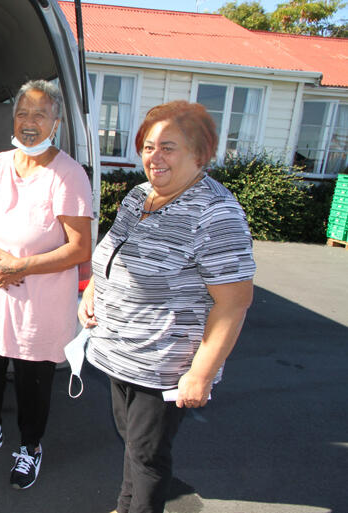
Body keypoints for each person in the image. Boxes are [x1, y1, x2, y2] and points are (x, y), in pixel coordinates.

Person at [77, 101, 256, 513]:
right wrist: (92, 293)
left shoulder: (216, 214)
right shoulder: (140, 196)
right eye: (148, 146)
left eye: (168, 148)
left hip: (163, 365)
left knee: (147, 457)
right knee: (133, 444)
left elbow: (234, 303)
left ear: (200, 154)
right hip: (120, 353)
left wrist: (201, 374)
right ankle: (125, 507)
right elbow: (111, 254)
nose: (154, 157)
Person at [0, 80, 93, 489]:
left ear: (56, 123)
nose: (29, 123)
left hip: (38, 305)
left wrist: (21, 266)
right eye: (22, 114)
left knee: (32, 380)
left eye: (39, 115)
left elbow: (81, 248)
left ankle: (30, 447)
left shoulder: (68, 174)